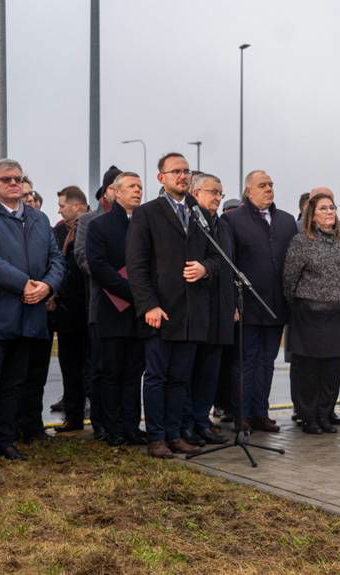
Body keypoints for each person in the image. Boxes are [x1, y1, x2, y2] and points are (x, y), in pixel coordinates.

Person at [0, 159, 64, 465]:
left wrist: (47, 286)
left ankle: (4, 440)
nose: (14, 183)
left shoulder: (39, 219)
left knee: (14, 382)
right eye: (6, 179)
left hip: (30, 314)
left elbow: (56, 259)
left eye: (18, 178)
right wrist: (24, 283)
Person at [127, 152, 220, 458]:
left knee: (181, 377)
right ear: (161, 178)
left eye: (186, 171)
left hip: (192, 311)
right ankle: (156, 438)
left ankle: (175, 433)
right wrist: (148, 305)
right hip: (161, 311)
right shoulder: (147, 213)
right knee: (157, 376)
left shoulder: (198, 214)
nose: (182, 176)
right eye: (175, 171)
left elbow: (216, 258)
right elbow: (137, 265)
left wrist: (205, 269)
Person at [223, 170, 297, 432]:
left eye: (271, 184)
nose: (268, 189)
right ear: (249, 190)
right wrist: (232, 303)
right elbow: (227, 264)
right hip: (247, 306)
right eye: (262, 185)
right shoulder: (232, 221)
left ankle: (260, 413)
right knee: (245, 362)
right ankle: (241, 414)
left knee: (267, 362)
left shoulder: (287, 221)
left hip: (276, 306)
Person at [284, 193, 340, 433]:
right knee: (310, 370)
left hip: (339, 313)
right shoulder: (301, 241)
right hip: (309, 314)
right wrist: (299, 303)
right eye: (323, 208)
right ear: (312, 214)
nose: (329, 212)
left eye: (332, 208)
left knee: (332, 368)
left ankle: (325, 413)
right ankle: (309, 416)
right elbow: (289, 279)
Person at [86, 172, 146, 447]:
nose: (137, 191)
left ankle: (131, 426)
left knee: (134, 373)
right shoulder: (100, 226)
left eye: (140, 187)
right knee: (111, 372)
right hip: (112, 309)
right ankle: (112, 428)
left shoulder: (147, 224)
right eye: (131, 187)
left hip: (141, 312)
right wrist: (133, 292)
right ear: (116, 192)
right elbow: (98, 266)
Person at [180, 173, 234, 445]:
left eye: (220, 193)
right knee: (192, 369)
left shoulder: (221, 225)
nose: (217, 197)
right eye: (213, 192)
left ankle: (202, 421)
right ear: (196, 192)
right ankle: (187, 423)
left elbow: (226, 264)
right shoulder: (189, 221)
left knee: (210, 371)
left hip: (220, 309)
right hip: (196, 309)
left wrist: (233, 305)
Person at [72, 165, 122, 437]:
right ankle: (101, 422)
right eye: (118, 187)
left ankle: (124, 421)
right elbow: (83, 258)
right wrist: (114, 278)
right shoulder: (89, 221)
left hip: (129, 305)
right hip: (101, 304)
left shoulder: (135, 219)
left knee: (125, 369)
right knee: (101, 367)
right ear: (107, 191)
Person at [51, 187, 91, 433]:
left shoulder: (93, 225)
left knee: (90, 366)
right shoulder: (58, 231)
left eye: (63, 205)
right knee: (69, 366)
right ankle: (73, 416)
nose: (59, 209)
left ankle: (99, 418)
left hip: (88, 308)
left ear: (77, 206)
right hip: (66, 312)